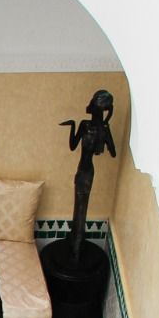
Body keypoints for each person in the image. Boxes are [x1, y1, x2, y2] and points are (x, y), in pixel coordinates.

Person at [61, 90, 117, 264]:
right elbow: (113, 153)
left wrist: (72, 126)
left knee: (80, 208)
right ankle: (75, 242)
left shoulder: (89, 126)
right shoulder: (97, 127)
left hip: (84, 171)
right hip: (87, 171)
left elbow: (73, 146)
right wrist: (105, 133)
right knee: (80, 208)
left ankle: (76, 247)